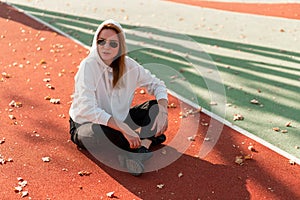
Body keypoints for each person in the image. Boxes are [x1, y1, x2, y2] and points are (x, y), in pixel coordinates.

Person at [69, 19, 169, 176]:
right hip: (87, 125)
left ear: (120, 47)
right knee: (100, 133)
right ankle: (144, 142)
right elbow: (86, 109)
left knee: (154, 108)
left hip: (119, 120)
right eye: (101, 42)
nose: (106, 47)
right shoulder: (88, 66)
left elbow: (158, 84)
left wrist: (163, 110)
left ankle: (140, 150)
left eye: (113, 44)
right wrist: (123, 128)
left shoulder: (129, 66)